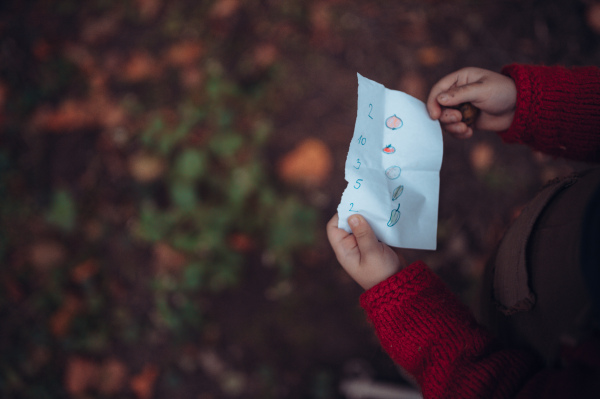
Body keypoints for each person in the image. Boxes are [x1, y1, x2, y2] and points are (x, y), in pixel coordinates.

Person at [327, 64, 600, 398]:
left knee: (507, 330)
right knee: (501, 300)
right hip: (567, 231)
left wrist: (402, 301)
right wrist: (530, 103)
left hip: (557, 328)